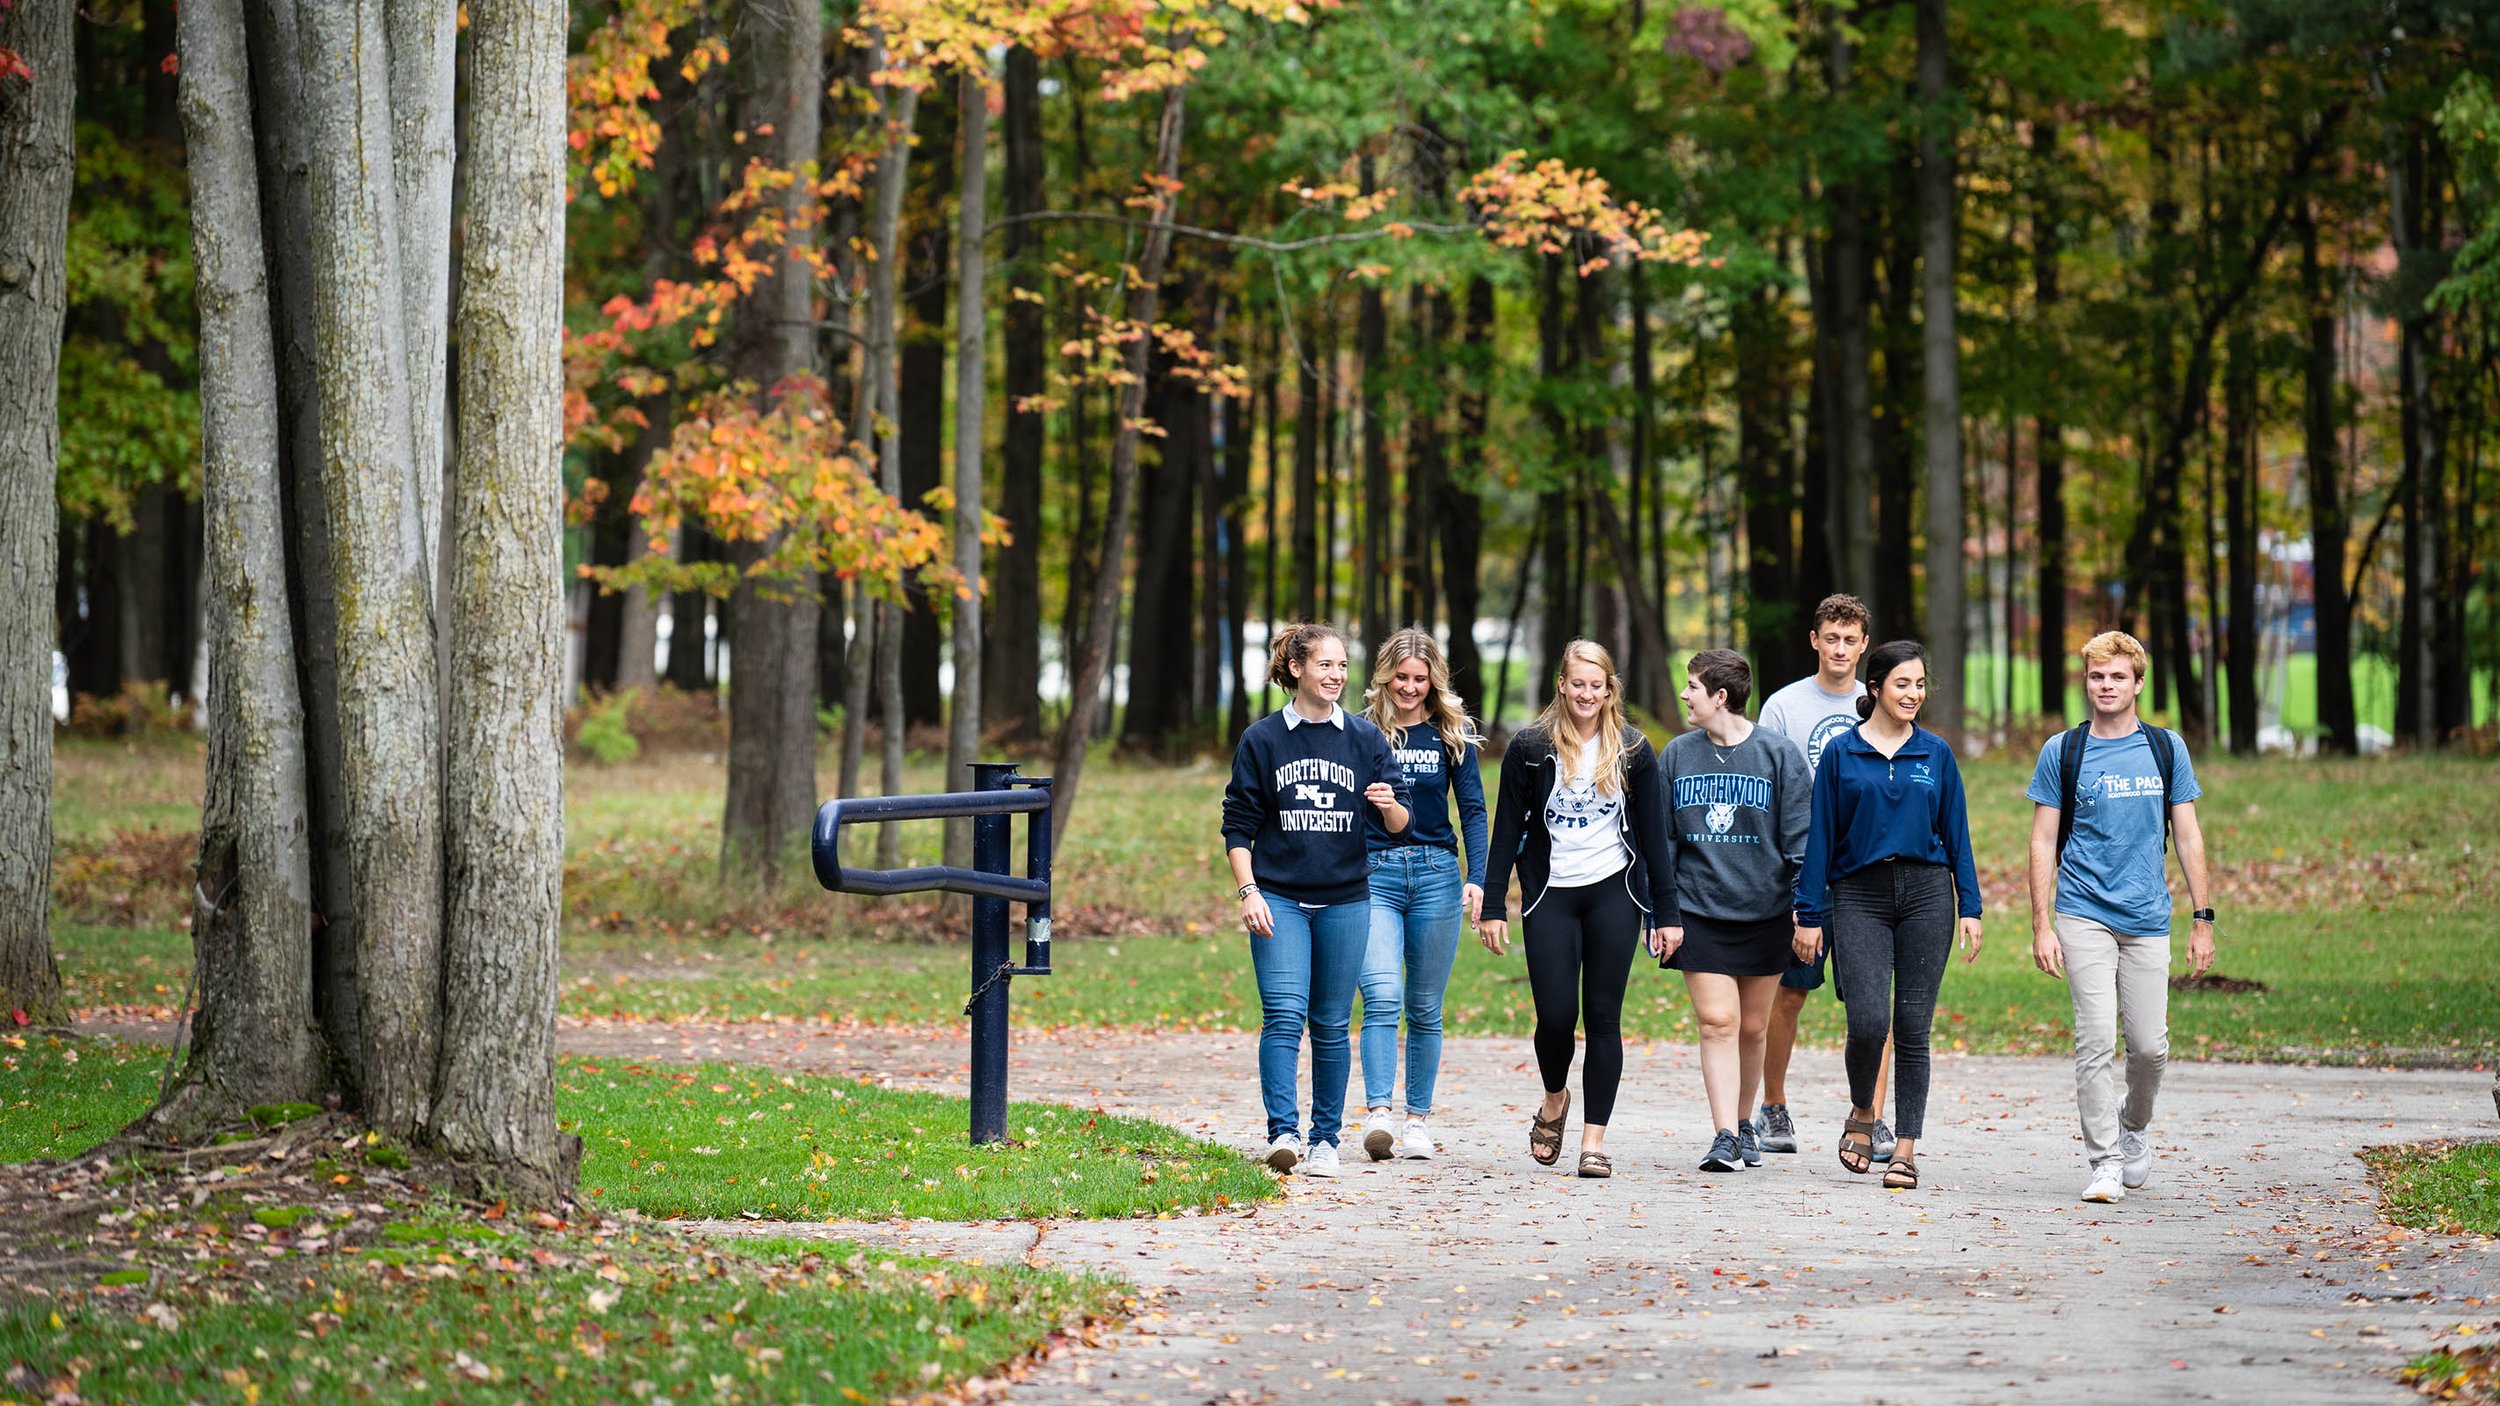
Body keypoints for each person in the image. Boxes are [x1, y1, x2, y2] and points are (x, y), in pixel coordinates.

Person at [2025, 631, 2215, 1204]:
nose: (2105, 686)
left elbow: (2187, 833)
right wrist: (2041, 924)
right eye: (2096, 676)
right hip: (2082, 911)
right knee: (2094, 1041)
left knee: (2150, 1047)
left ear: (2137, 683)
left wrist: (2202, 919)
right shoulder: (2063, 750)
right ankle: (2104, 1161)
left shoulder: (2165, 748)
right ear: (2086, 682)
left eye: (2116, 677)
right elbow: (2041, 841)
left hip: (2147, 916)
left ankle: (2132, 1128)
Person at [1791, 640, 1982, 1192]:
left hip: (1927, 894)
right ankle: (1861, 1112)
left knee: (1914, 1029)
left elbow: (1958, 835)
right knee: (1870, 1022)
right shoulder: (1842, 755)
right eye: (1902, 684)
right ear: (1874, 688)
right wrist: (1809, 913)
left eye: (1920, 685)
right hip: (1859, 896)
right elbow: (1820, 839)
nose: (1913, 694)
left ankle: (1905, 1150)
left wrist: (1969, 905)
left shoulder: (1936, 754)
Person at [1223, 623, 1412, 1179]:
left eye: (1342, 666)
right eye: (1325, 665)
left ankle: (1325, 1139)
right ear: (1297, 668)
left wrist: (1387, 805)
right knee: (1282, 1016)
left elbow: (1403, 824)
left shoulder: (1365, 739)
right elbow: (1237, 827)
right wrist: (1248, 890)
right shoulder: (1262, 740)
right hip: (1278, 896)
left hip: (1347, 900)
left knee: (1330, 1022)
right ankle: (1283, 1133)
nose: (1336, 675)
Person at [1479, 640, 1672, 1179]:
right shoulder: (1530, 747)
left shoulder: (1633, 749)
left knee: (1605, 1019)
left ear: (1610, 691)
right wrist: (1494, 904)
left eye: (1598, 685)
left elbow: (1655, 838)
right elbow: (1507, 831)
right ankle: (1555, 1097)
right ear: (1561, 685)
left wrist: (1668, 914)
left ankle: (1594, 1142)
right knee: (1557, 1017)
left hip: (1614, 893)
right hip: (1551, 895)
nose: (1587, 693)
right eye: (1578, 683)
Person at [1652, 650, 1811, 1172]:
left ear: (1720, 696)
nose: (1684, 695)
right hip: (1698, 908)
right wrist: (1663, 912)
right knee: (1718, 1020)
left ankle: (1744, 1125)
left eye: (1692, 686)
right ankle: (1723, 1133)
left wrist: (1802, 909)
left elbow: (1799, 840)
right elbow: (1663, 841)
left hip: (1766, 911)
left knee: (1752, 1028)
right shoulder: (1676, 755)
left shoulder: (1779, 755)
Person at [1751, 593, 1896, 1163]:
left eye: (1850, 640)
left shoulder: (1883, 700)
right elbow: (1766, 791)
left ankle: (1873, 1115)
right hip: (1800, 874)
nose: (1840, 649)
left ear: (1864, 645)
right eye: (1830, 638)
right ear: (1815, 640)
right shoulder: (1785, 707)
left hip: (1865, 872)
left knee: (1872, 1006)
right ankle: (1773, 1105)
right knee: (1789, 992)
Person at [1356, 629, 1489, 1162]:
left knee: (1425, 1007)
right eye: (1400, 678)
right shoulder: (1360, 733)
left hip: (1436, 873)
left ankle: (1418, 1121)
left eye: (1419, 679)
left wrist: (1479, 877)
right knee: (1382, 995)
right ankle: (1379, 1114)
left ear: (1434, 681)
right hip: (1374, 876)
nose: (1409, 688)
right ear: (1384, 677)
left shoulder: (1450, 735)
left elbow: (1475, 811)